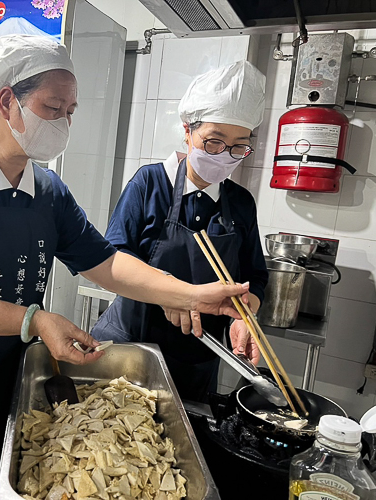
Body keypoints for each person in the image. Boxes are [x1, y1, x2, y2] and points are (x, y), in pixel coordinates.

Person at [0, 35, 250, 500]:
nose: (64, 122)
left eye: (70, 111)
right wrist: (32, 319)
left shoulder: (48, 192)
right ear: (7, 101)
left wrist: (193, 294)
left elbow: (107, 263)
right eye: (54, 108)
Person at [92, 61, 269, 402]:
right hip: (131, 348)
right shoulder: (150, 183)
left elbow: (255, 276)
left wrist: (247, 314)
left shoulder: (241, 203)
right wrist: (169, 291)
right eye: (214, 141)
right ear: (188, 131)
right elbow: (115, 256)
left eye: (238, 146)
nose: (224, 156)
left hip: (198, 360)